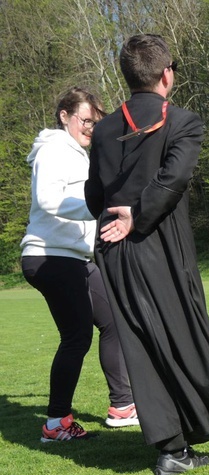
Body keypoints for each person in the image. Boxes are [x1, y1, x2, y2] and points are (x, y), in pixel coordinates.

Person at [85, 34, 209, 475]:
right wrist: (137, 216)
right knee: (186, 337)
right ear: (167, 74)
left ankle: (173, 448)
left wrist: (120, 213)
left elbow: (93, 196)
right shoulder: (184, 121)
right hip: (160, 248)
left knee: (142, 347)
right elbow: (174, 178)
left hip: (112, 249)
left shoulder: (103, 129)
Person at [20, 87, 138, 443]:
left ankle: (122, 406)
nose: (90, 128)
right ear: (64, 116)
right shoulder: (55, 148)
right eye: (85, 120)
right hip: (49, 256)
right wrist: (98, 205)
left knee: (114, 320)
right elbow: (47, 199)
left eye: (94, 123)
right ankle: (56, 424)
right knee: (76, 336)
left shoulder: (77, 153)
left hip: (75, 259)